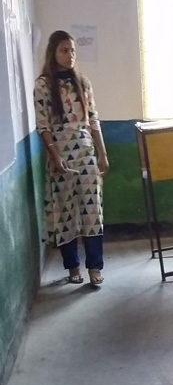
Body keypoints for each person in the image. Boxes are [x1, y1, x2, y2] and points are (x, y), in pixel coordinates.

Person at [33, 30, 109, 285]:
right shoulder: (43, 85)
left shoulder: (83, 83)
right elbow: (43, 126)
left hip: (86, 154)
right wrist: (55, 156)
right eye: (64, 50)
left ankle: (95, 267)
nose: (70, 55)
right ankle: (72, 266)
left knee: (92, 210)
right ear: (53, 53)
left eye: (73, 50)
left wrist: (102, 153)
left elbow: (94, 120)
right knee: (65, 211)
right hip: (61, 156)